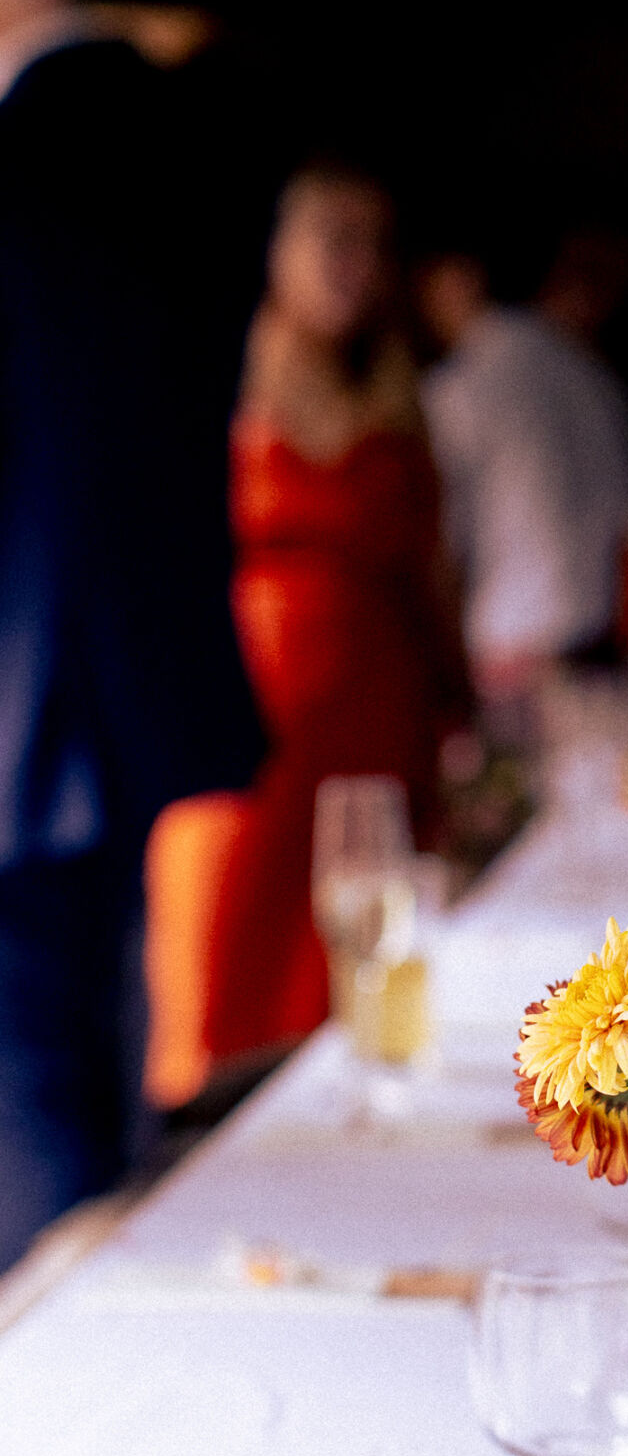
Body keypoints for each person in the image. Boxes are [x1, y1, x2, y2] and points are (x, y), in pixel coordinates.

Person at [0, 0, 264, 1262]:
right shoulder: (170, 126)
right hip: (96, 686)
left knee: (41, 1094)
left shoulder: (51, 141)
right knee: (83, 1060)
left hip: (37, 698)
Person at [144, 163, 463, 1105]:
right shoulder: (217, 370)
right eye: (334, 237)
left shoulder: (401, 389)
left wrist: (456, 703)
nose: (356, 266)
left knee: (371, 941)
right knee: (234, 946)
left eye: (373, 243)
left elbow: (430, 571)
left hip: (380, 698)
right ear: (278, 249)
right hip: (258, 701)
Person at [416, 250, 628, 699]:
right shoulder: (588, 373)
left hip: (508, 651)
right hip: (599, 642)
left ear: (456, 281)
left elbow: (442, 539)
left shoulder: (457, 389)